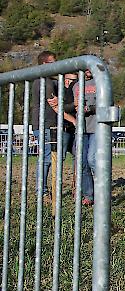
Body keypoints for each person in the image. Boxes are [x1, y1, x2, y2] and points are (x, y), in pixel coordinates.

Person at [30, 51, 76, 199]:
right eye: (53, 62)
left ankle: (44, 190)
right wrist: (73, 118)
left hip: (49, 124)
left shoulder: (51, 81)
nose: (56, 65)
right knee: (47, 157)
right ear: (44, 64)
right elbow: (55, 104)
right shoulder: (44, 82)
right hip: (46, 125)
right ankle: (41, 191)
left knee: (52, 157)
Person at [73, 69, 97, 206]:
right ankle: (89, 195)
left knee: (92, 159)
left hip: (96, 128)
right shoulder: (76, 86)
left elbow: (106, 104)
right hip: (81, 129)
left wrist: (88, 109)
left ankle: (102, 192)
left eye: (90, 68)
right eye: (85, 68)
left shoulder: (100, 83)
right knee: (82, 163)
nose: (88, 71)